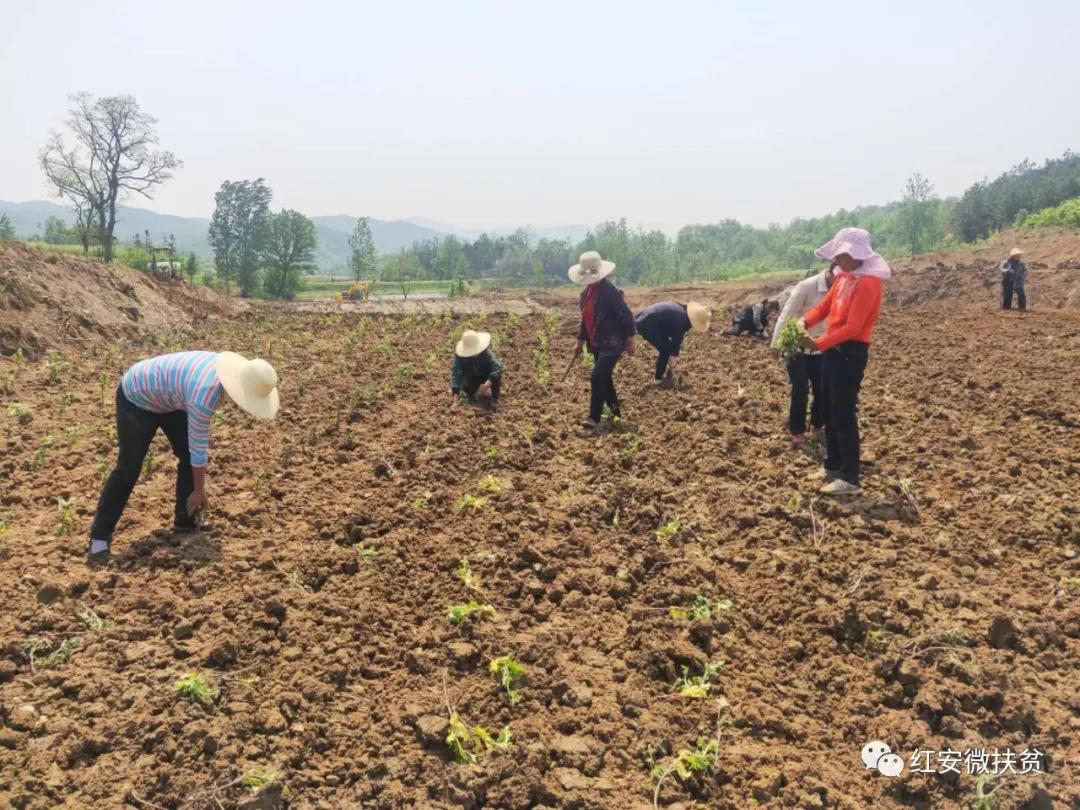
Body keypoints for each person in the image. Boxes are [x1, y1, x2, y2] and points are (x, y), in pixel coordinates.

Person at [87, 351, 280, 565]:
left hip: (172, 399)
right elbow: (199, 450)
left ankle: (184, 522)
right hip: (137, 396)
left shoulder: (222, 373)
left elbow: (194, 452)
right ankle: (99, 539)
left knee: (187, 456)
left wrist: (199, 488)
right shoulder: (204, 395)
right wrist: (199, 491)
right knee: (128, 469)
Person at [798, 228, 890, 496]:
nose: (836, 260)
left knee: (843, 412)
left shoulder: (868, 284)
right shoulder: (843, 278)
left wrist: (819, 343)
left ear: (856, 255)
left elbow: (853, 327)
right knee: (827, 408)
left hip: (850, 352)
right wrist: (804, 322)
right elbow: (824, 307)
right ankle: (833, 466)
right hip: (832, 350)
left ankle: (849, 478)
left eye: (841, 255)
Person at [569, 250, 636, 430]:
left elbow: (627, 315)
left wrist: (630, 339)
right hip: (597, 342)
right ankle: (615, 415)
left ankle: (594, 419)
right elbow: (585, 320)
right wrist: (580, 342)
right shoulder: (585, 295)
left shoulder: (610, 292)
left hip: (612, 342)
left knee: (597, 376)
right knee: (605, 378)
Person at [772, 266, 835, 445]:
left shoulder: (840, 289)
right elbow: (786, 315)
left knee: (822, 388)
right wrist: (776, 344)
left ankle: (817, 423)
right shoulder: (806, 287)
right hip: (796, 346)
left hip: (821, 346)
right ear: (831, 272)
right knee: (800, 388)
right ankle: (797, 430)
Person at [634, 300, 712, 384]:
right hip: (648, 324)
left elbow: (672, 333)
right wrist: (672, 364)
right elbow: (675, 344)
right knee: (665, 350)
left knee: (667, 348)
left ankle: (661, 376)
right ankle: (658, 380)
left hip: (645, 317)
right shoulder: (682, 321)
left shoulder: (681, 310)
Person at [451, 329, 503, 410]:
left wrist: (486, 385)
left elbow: (497, 367)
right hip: (471, 378)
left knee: (496, 375)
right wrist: (455, 401)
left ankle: (495, 399)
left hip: (486, 376)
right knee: (467, 385)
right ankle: (473, 396)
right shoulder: (460, 357)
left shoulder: (486, 353)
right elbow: (456, 375)